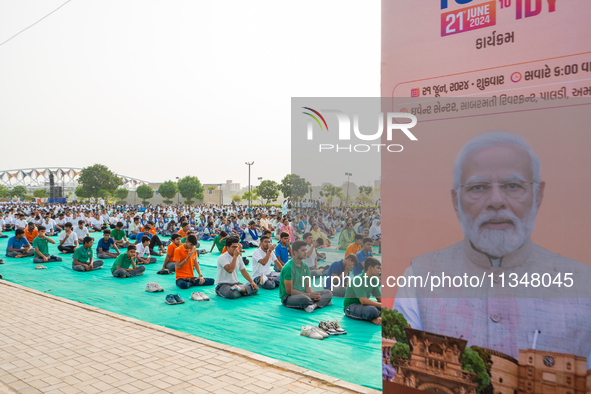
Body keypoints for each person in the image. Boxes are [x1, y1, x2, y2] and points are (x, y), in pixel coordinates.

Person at [394, 131, 591, 361]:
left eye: (512, 186)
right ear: (456, 201)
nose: (496, 201)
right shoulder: (419, 277)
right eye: (478, 188)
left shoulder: (583, 285)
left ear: (537, 195)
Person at [279, 240, 332, 313]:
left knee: (328, 293)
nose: (305, 252)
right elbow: (289, 291)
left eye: (305, 250)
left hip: (304, 293)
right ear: (295, 252)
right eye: (302, 250)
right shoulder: (288, 268)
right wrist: (309, 295)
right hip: (289, 297)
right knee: (305, 299)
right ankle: (320, 302)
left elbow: (307, 286)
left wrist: (312, 294)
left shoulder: (305, 266)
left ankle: (313, 306)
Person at [343, 257, 381, 325]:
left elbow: (380, 298)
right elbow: (363, 301)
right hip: (351, 307)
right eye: (378, 268)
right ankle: (374, 318)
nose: (380, 270)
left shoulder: (374, 280)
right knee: (372, 310)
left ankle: (376, 317)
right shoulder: (358, 280)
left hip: (363, 307)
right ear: (370, 268)